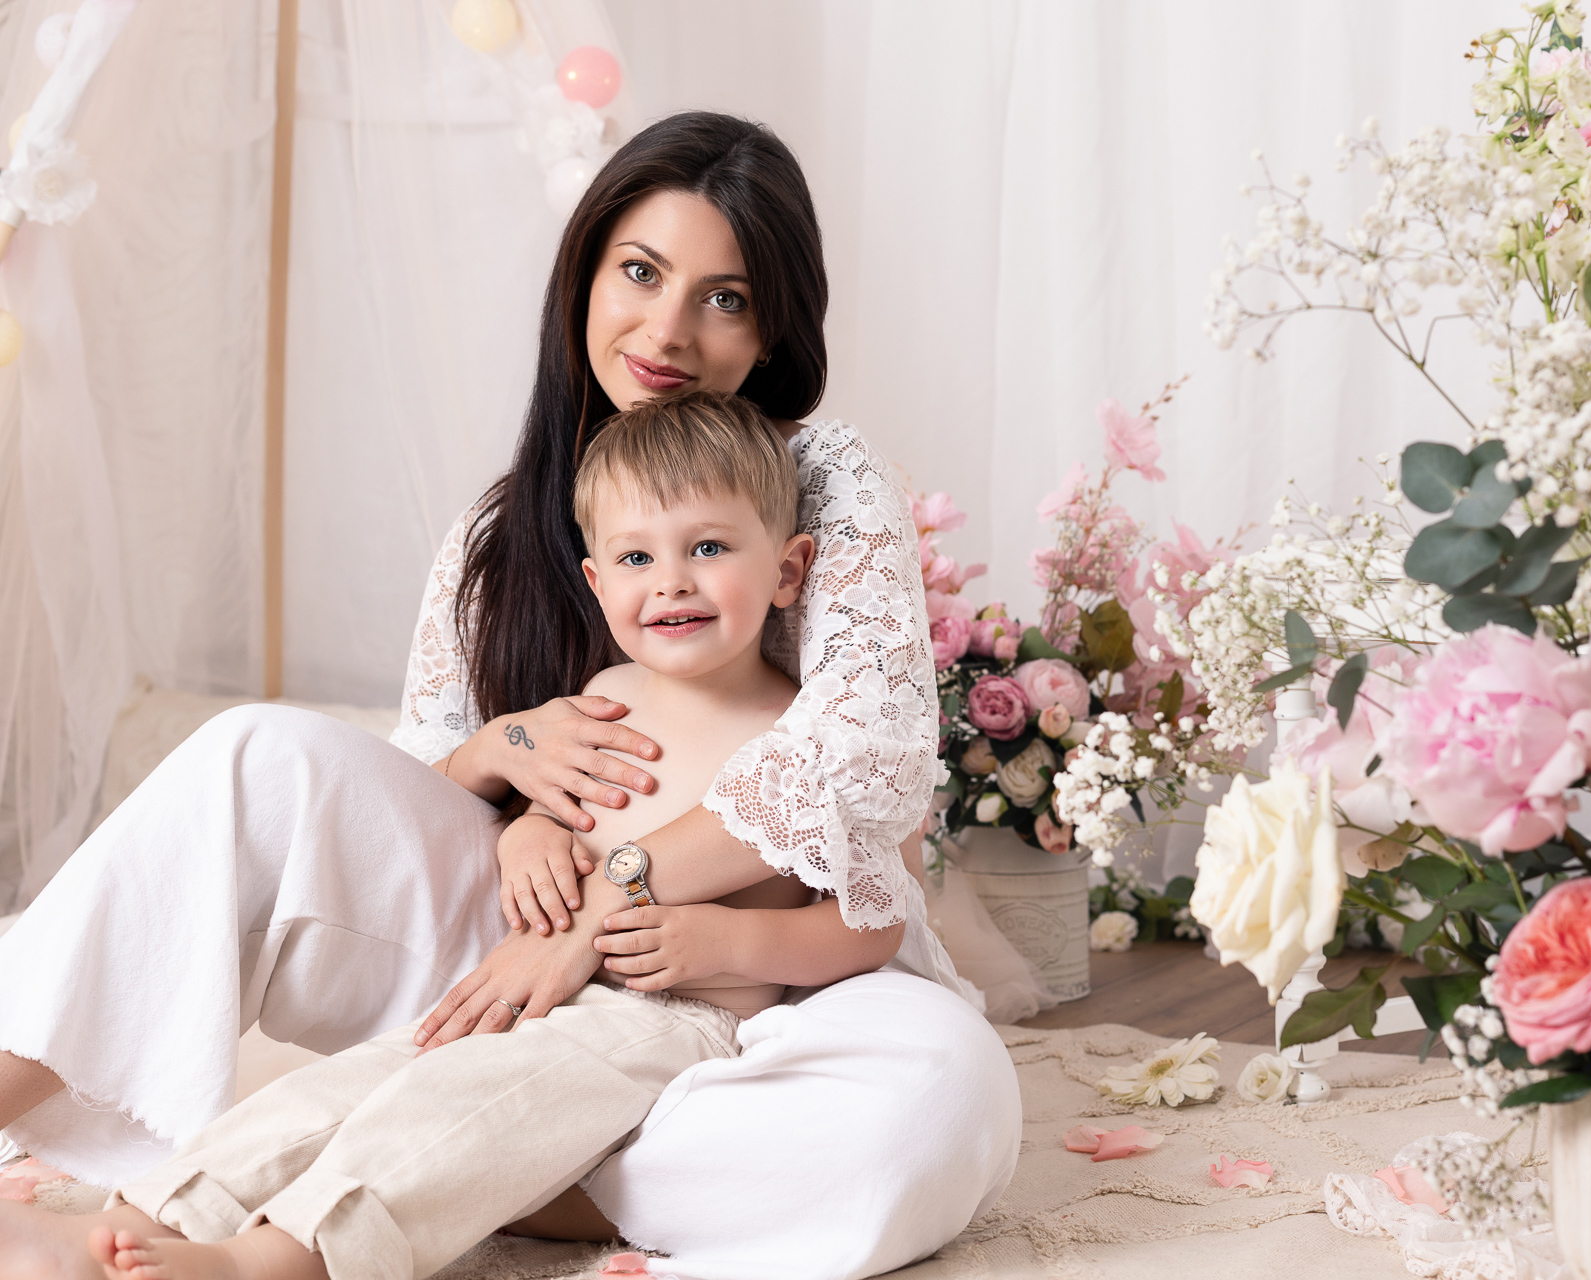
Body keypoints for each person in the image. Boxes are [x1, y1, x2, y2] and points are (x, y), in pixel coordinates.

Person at [0, 112, 1019, 1280]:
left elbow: (861, 769)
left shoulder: (824, 482)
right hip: (500, 965)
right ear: (584, 273)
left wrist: (612, 912)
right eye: (640, 272)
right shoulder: (502, 526)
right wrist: (507, 762)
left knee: (946, 1093)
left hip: (747, 989)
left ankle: (485, 1172)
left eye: (725, 297)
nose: (669, 329)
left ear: (773, 327)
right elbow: (408, 794)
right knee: (255, 755)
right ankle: (130, 1154)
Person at [5, 392, 886, 1280]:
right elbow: (569, 809)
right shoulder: (611, 696)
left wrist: (728, 940)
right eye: (636, 556)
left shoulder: (802, 737)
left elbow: (871, 921)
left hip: (665, 1021)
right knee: (349, 1089)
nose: (671, 580)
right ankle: (164, 1212)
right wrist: (529, 834)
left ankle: (276, 1261)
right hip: (521, 981)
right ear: (597, 583)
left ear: (788, 567)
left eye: (708, 547)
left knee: (454, 1118)